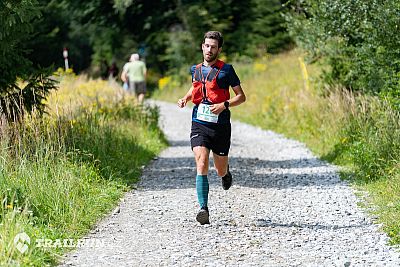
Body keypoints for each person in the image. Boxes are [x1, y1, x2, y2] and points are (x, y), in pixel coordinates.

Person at [177, 31, 246, 225]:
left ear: (219, 49)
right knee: (201, 161)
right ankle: (203, 208)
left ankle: (225, 174)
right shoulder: (195, 69)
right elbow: (195, 88)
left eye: (213, 47)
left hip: (220, 126)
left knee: (219, 168)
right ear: (202, 46)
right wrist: (185, 98)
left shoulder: (227, 70)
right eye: (207, 46)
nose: (209, 50)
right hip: (199, 123)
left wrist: (224, 105)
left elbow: (241, 96)